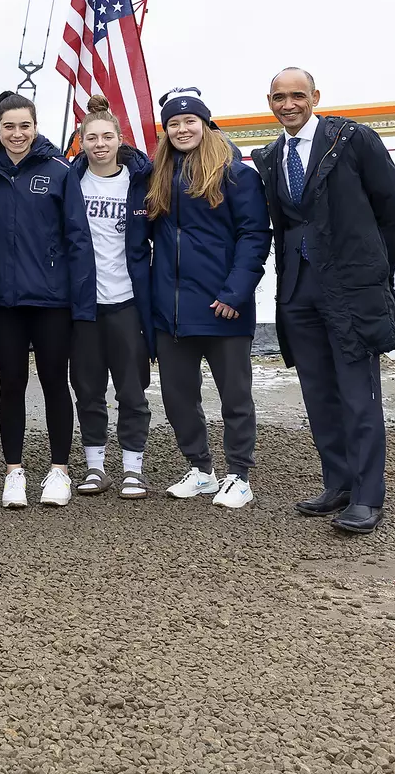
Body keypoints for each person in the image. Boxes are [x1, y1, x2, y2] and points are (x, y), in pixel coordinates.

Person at [254, 68, 395, 535]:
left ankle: (367, 497)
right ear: (270, 101)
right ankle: (338, 482)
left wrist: (374, 270)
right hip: (298, 290)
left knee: (358, 395)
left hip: (349, 288)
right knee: (318, 394)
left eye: (297, 95)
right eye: (279, 97)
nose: (289, 104)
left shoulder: (353, 139)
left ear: (315, 96)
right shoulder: (271, 155)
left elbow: (392, 207)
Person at [147, 87, 271, 510]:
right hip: (172, 311)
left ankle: (239, 475)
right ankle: (201, 469)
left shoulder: (236, 173)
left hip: (223, 306)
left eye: (189, 122)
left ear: (205, 123)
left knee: (235, 397)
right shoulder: (157, 174)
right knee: (178, 397)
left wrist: (236, 292)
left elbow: (254, 236)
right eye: (173, 124)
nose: (182, 129)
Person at [0, 91, 75, 509]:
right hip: (4, 302)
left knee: (55, 381)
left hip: (52, 299)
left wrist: (79, 297)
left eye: (24, 126)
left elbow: (77, 237)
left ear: (35, 127)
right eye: (8, 127)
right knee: (11, 384)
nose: (17, 134)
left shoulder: (59, 171)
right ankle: (13, 471)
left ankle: (59, 470)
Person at [64, 97, 154, 500]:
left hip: (128, 300)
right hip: (84, 305)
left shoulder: (141, 182)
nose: (99, 143)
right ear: (80, 142)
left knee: (132, 390)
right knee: (87, 388)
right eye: (91, 137)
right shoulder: (70, 181)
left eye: (107, 136)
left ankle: (133, 467)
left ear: (120, 139)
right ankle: (96, 466)